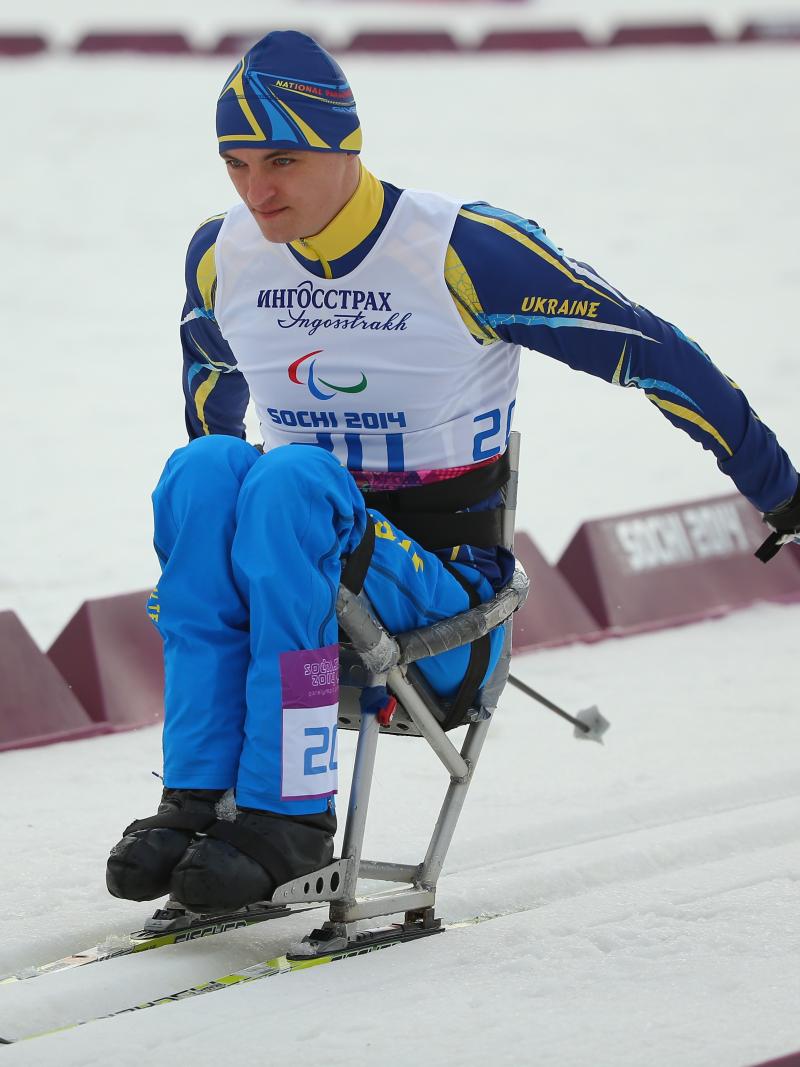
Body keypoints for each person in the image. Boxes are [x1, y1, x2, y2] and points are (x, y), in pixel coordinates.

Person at [106, 30, 800, 914]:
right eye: (236, 164)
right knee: (203, 470)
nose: (256, 191)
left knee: (290, 483)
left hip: (446, 612)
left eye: (280, 159)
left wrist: (779, 485)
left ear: (343, 145)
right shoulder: (222, 254)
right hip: (307, 570)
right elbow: (210, 408)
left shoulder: (460, 248)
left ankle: (291, 812)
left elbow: (649, 349)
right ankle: (198, 798)